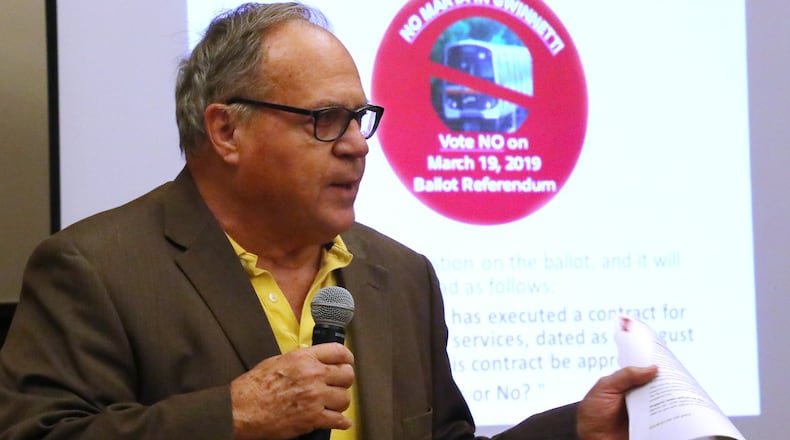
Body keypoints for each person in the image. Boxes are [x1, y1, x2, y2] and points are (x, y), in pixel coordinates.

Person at [0, 2, 656, 439]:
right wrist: (230, 416)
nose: (356, 144)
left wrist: (575, 430)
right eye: (324, 120)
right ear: (226, 130)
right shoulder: (95, 269)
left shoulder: (399, 276)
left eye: (360, 118)